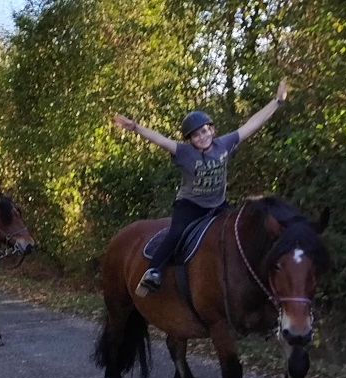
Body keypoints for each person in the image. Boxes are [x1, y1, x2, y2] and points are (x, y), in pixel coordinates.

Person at [113, 78, 288, 297]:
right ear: (191, 140)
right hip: (190, 206)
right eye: (196, 135)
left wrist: (277, 102)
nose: (202, 137)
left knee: (239, 233)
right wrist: (136, 128)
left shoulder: (224, 144)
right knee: (176, 233)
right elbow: (161, 139)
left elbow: (251, 125)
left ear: (212, 130)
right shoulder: (185, 153)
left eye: (204, 131)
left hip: (218, 205)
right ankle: (153, 271)